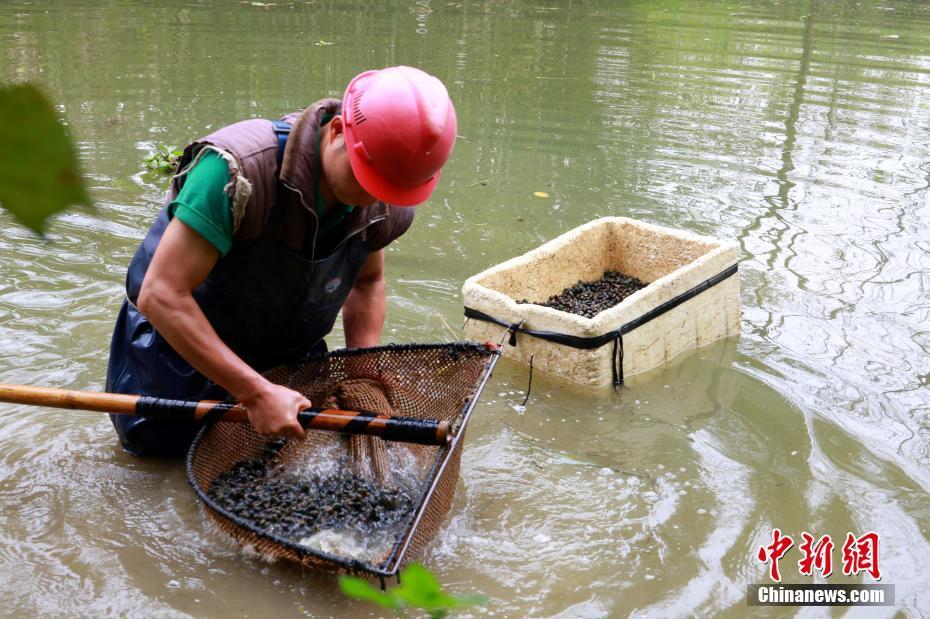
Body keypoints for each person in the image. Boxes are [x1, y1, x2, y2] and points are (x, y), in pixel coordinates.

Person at [106, 66, 457, 457]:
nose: (371, 199)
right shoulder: (236, 172)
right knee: (159, 467)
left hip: (287, 348)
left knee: (281, 460)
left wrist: (362, 373)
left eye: (386, 191)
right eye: (365, 180)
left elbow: (367, 283)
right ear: (339, 130)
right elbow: (162, 294)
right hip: (178, 351)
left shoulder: (383, 203)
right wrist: (254, 392)